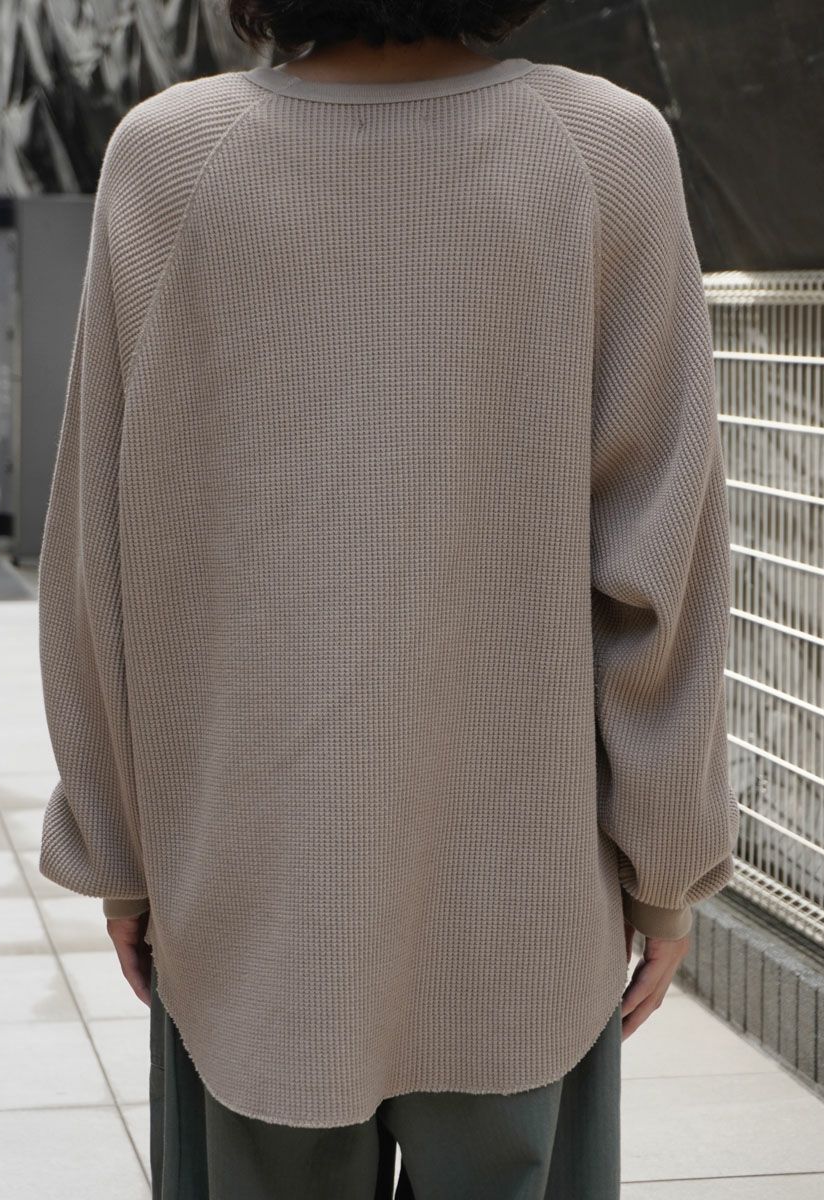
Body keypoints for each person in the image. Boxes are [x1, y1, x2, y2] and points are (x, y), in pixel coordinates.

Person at [37, 3, 740, 1197]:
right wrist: (669, 868)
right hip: (524, 902)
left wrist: (121, 853)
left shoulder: (171, 160)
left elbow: (100, 555)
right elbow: (661, 561)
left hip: (251, 905)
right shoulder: (605, 151)